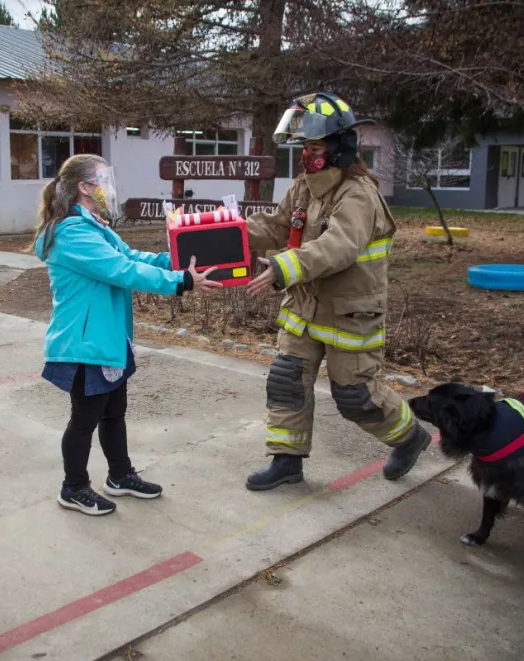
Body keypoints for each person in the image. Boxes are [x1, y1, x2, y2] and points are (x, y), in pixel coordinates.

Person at [242, 92, 431, 491]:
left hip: (350, 313)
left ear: (339, 146)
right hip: (305, 308)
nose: (307, 154)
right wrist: (228, 232)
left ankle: (410, 437)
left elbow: (339, 247)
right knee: (287, 380)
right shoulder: (304, 188)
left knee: (357, 397)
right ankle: (286, 462)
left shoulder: (359, 194)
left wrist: (283, 267)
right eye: (304, 146)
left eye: (314, 146)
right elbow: (278, 227)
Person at [33, 154, 221, 516]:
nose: (109, 188)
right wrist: (180, 282)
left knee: (114, 411)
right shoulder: (72, 232)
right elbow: (120, 269)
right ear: (85, 187)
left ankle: (119, 476)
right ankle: (73, 488)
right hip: (84, 343)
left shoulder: (94, 226)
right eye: (102, 180)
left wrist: (174, 259)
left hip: (107, 339)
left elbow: (132, 256)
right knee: (84, 418)